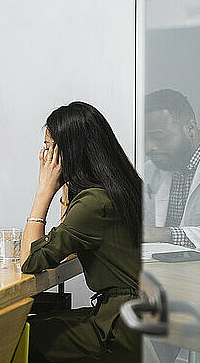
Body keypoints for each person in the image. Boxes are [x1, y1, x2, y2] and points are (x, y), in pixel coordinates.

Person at [20, 102, 141, 363]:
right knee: (39, 322)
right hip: (141, 320)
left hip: (120, 330)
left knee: (22, 334)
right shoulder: (123, 186)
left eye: (49, 148)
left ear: (69, 152)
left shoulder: (93, 203)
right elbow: (70, 240)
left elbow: (31, 260)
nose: (44, 157)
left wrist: (43, 191)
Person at [143, 89, 200, 253]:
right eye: (144, 138)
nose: (149, 147)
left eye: (159, 137)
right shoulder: (150, 169)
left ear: (190, 128)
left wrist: (162, 234)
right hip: (163, 268)